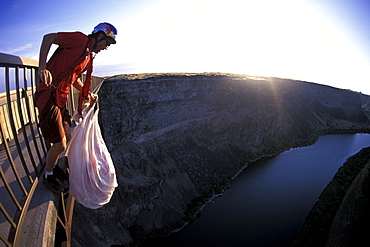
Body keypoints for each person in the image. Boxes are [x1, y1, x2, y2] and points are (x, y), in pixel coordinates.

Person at [35, 22, 117, 193]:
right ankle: (48, 175)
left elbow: (74, 79)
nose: (106, 48)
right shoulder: (79, 40)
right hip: (48, 96)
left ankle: (53, 165)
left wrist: (86, 93)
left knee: (66, 135)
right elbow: (48, 38)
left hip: (59, 99)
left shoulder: (87, 55)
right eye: (107, 43)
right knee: (60, 145)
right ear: (100, 36)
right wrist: (42, 67)